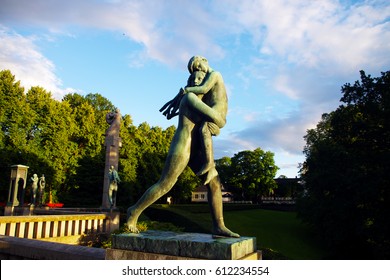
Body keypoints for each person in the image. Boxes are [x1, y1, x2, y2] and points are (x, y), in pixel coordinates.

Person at [126, 56, 239, 238]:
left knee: (214, 183)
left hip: (196, 146)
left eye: (200, 76)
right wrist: (219, 121)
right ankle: (134, 211)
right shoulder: (190, 98)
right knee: (166, 184)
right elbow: (217, 120)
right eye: (194, 77)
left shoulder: (199, 97)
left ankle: (218, 226)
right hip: (183, 144)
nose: (198, 77)